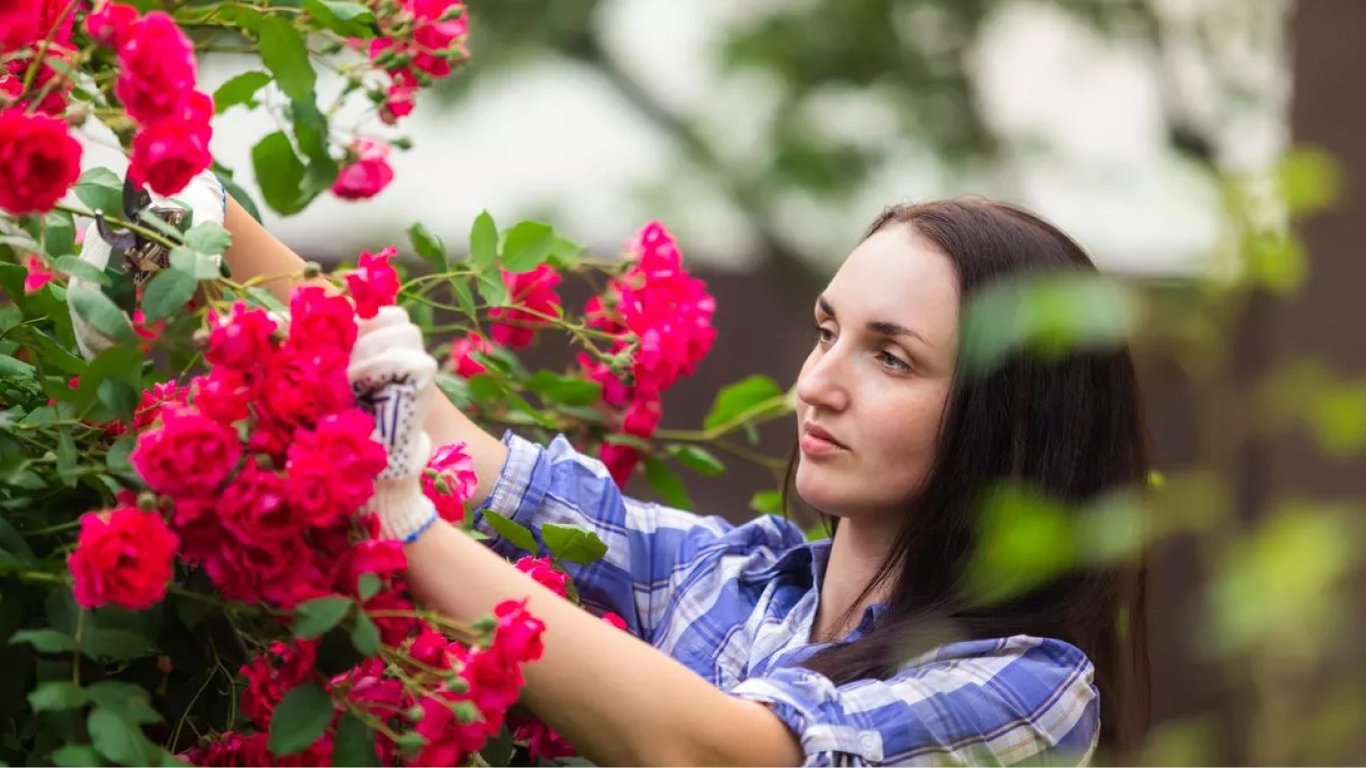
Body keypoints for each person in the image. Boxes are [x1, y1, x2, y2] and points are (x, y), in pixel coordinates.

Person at [81, 175, 1151, 766]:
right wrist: (168, 198)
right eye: (827, 332)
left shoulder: (1032, 689)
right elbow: (460, 453)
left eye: (890, 357)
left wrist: (403, 521)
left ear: (1006, 418)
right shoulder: (733, 582)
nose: (817, 384)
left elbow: (718, 755)